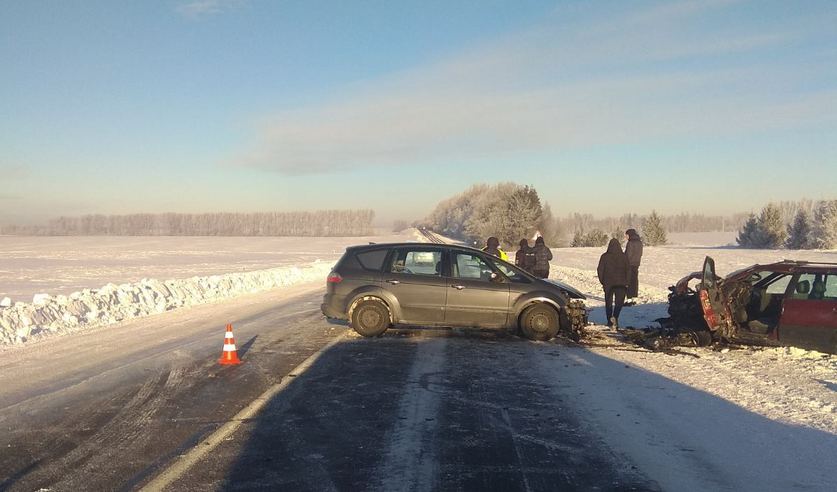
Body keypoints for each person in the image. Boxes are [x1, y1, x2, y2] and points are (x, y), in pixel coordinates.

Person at [597, 238, 630, 329]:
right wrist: (627, 281)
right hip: (621, 283)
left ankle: (609, 320)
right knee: (619, 303)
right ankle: (615, 317)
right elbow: (628, 270)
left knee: (608, 302)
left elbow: (600, 270)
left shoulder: (604, 256)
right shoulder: (624, 256)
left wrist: (602, 281)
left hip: (608, 283)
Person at [624, 228, 643, 306]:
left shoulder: (630, 243)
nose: (626, 237)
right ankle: (634, 298)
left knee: (628, 281)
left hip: (629, 264)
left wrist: (624, 261)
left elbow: (628, 255)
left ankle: (629, 299)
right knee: (635, 281)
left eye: (626, 235)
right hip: (636, 264)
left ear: (630, 235)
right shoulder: (639, 242)